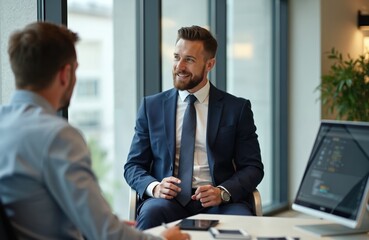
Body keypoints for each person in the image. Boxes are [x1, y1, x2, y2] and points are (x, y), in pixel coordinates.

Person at [0, 21, 190, 240]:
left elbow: (36, 209)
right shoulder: (58, 137)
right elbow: (105, 234)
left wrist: (109, 224)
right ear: (66, 74)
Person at [124, 25, 264, 230]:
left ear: (210, 64)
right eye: (176, 57)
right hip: (166, 202)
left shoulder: (237, 108)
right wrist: (155, 187)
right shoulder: (151, 107)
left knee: (243, 225)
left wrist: (223, 192)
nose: (179, 66)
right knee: (150, 215)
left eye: (189, 60)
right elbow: (133, 165)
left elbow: (253, 167)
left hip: (220, 203)